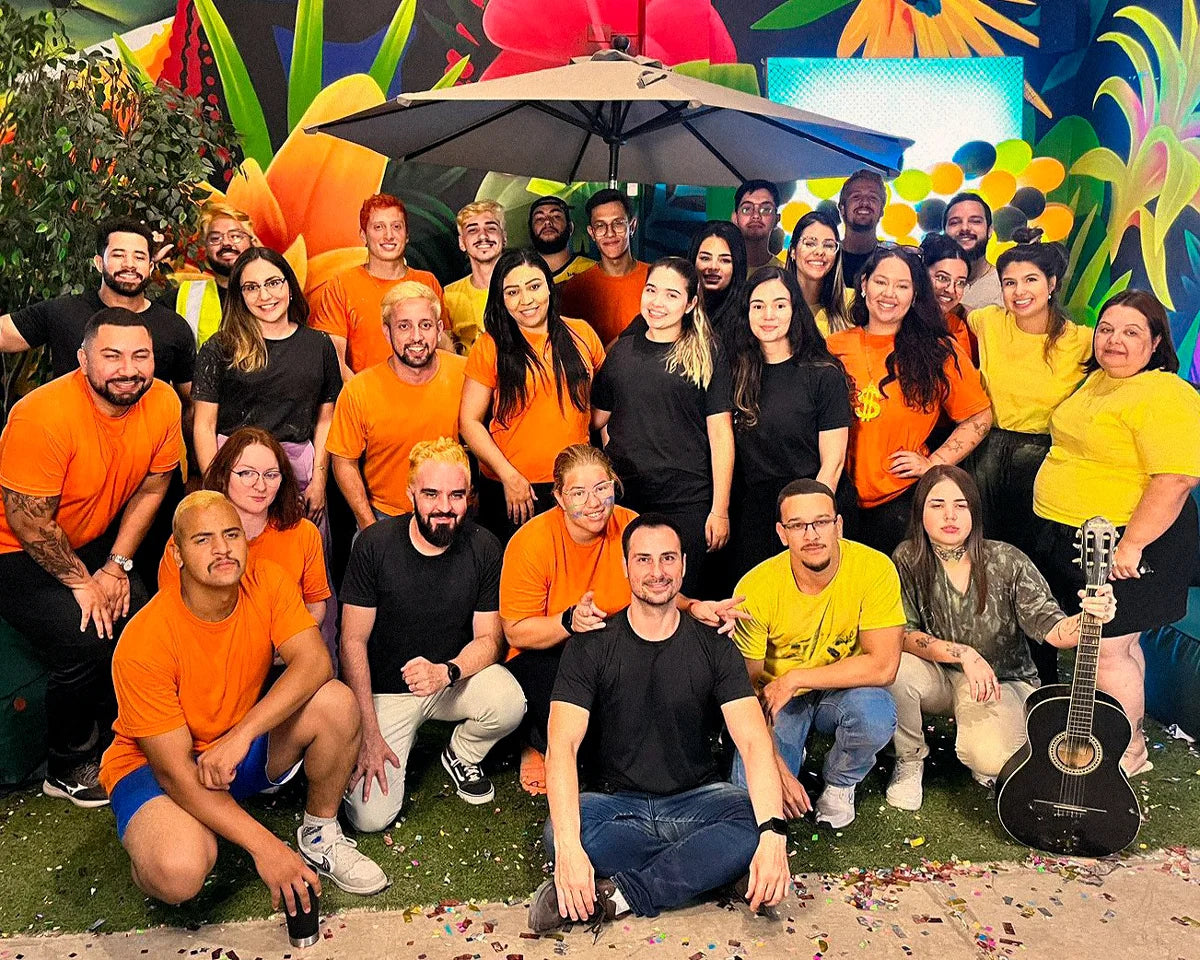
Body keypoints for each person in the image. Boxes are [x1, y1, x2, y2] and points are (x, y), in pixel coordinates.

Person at [99, 491, 388, 907]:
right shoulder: (144, 642)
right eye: (202, 539)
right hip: (154, 770)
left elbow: (315, 662)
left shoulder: (267, 581)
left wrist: (240, 736)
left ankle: (319, 832)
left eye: (231, 534)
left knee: (336, 702)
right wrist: (267, 848)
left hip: (232, 751)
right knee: (179, 873)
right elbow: (176, 774)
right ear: (176, 553)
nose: (222, 549)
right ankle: (167, 836)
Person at [529, 513, 790, 931]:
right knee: (558, 833)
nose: (657, 572)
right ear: (625, 568)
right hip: (616, 807)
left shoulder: (716, 646)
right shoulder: (591, 643)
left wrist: (773, 836)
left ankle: (618, 896)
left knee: (756, 820)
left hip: (698, 800)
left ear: (684, 565)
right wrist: (569, 848)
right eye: (644, 560)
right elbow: (562, 746)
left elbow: (754, 743)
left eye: (668, 559)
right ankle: (711, 870)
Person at [0, 308, 181, 806]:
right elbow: (28, 521)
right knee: (88, 636)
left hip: (92, 540)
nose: (128, 368)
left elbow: (155, 483)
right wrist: (85, 584)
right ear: (82, 360)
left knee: (143, 619)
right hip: (15, 550)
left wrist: (117, 566)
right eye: (112, 355)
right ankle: (65, 763)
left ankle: (133, 733)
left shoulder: (162, 400)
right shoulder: (43, 415)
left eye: (140, 355)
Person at [501, 444, 745, 795]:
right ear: (558, 496)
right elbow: (515, 631)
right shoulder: (531, 542)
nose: (594, 502)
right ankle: (536, 742)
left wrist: (693, 607)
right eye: (579, 493)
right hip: (548, 652)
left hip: (614, 645)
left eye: (602, 488)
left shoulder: (630, 524)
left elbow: (656, 587)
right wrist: (568, 622)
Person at [1032, 290, 1200, 776]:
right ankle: (1125, 736)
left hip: (1130, 542)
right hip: (1083, 538)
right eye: (1106, 329)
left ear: (1155, 344)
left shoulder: (1165, 393)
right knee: (1112, 645)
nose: (1114, 340)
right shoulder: (1099, 382)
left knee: (1108, 648)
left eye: (1131, 332)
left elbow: (1175, 479)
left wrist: (1132, 545)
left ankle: (1128, 751)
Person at [886, 466, 1118, 809]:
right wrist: (963, 653)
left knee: (991, 760)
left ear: (974, 513)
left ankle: (987, 740)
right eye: (937, 505)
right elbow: (903, 634)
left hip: (1002, 681)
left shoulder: (1007, 560)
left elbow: (1051, 627)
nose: (950, 515)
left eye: (961, 505)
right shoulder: (907, 558)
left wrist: (1088, 620)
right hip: (939, 675)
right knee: (895, 666)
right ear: (920, 512)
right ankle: (909, 760)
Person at [339, 439, 524, 830]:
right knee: (369, 817)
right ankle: (362, 747)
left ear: (469, 497)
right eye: (431, 493)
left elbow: (489, 640)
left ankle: (461, 753)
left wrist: (447, 672)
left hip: (448, 681)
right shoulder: (374, 545)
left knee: (509, 701)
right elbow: (351, 642)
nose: (444, 506)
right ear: (410, 494)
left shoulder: (485, 546)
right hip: (385, 692)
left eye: (456, 495)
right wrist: (368, 733)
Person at [731, 479, 904, 829]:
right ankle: (792, 750)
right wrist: (776, 768)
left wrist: (796, 679)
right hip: (776, 700)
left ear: (838, 525)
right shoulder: (756, 587)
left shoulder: (875, 568)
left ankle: (841, 782)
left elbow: (884, 666)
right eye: (798, 525)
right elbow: (743, 691)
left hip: (839, 689)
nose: (811, 534)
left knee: (876, 712)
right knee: (751, 798)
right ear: (783, 534)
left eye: (821, 522)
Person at [968, 228, 1092, 648]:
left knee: (1035, 561)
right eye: (1009, 282)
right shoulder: (987, 322)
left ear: (1052, 283)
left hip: (1042, 458)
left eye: (1030, 280)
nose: (1019, 292)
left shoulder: (1082, 340)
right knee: (982, 551)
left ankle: (1040, 654)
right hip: (987, 451)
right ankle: (986, 646)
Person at [826, 247, 993, 555]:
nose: (889, 294)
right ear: (863, 285)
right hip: (838, 499)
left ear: (915, 294)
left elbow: (979, 417)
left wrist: (934, 463)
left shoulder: (939, 351)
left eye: (902, 286)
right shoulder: (833, 347)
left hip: (902, 500)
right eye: (880, 282)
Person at [591, 257, 733, 594]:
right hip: (626, 496)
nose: (657, 302)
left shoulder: (707, 352)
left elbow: (721, 434)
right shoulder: (623, 351)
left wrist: (720, 509)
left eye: (671, 295)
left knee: (681, 596)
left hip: (687, 498)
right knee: (629, 595)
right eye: (651, 290)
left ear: (691, 303)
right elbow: (598, 418)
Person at [192, 248, 341, 533]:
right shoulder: (220, 347)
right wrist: (217, 487)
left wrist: (319, 481)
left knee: (301, 564)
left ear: (289, 285)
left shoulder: (319, 345)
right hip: (236, 475)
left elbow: (325, 420)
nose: (264, 296)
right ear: (240, 296)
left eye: (273, 282)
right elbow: (204, 424)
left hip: (299, 476)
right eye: (251, 287)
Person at [460, 249, 605, 542]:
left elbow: (603, 410)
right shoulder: (490, 346)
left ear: (550, 287)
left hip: (575, 483)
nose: (526, 300)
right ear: (501, 298)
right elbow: (469, 421)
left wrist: (601, 473)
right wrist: (509, 477)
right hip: (515, 487)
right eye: (512, 292)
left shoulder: (583, 334)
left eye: (534, 286)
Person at [728, 266, 853, 580]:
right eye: (758, 306)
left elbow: (834, 462)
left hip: (813, 501)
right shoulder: (734, 371)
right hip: (758, 509)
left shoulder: (823, 373)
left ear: (795, 310)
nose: (768, 314)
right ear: (746, 313)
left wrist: (811, 523)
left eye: (780, 305)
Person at [0, 217, 195, 402]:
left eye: (139, 257)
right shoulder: (63, 311)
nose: (129, 264)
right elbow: (3, 333)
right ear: (99, 263)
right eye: (118, 255)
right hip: (70, 432)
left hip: (145, 435)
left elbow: (190, 404)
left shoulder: (174, 327)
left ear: (150, 267)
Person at [157, 427, 330, 631]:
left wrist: (288, 646)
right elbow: (172, 616)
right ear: (223, 475)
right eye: (247, 473)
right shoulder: (188, 540)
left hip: (283, 650)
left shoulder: (305, 533)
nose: (260, 486)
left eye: (271, 475)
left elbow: (315, 606)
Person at [328, 282, 466, 529]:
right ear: (386, 331)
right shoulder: (359, 390)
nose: (416, 337)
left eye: (425, 325)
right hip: (385, 516)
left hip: (453, 514)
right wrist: (369, 525)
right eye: (404, 326)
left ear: (439, 328)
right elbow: (343, 462)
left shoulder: (465, 375)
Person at [311, 193, 449, 380]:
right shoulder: (342, 285)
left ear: (407, 235)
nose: (389, 235)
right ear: (363, 235)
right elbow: (334, 358)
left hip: (424, 396)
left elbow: (445, 350)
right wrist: (364, 398)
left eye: (396, 227)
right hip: (365, 399)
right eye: (378, 227)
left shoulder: (427, 282)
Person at [560, 190, 649, 343]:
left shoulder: (655, 278)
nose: (610, 233)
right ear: (592, 233)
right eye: (600, 226)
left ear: (632, 226)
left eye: (618, 223)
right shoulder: (577, 287)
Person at [171, 202, 257, 347]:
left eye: (235, 236)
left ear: (253, 243)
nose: (226, 243)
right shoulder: (186, 294)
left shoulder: (272, 292)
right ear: (205, 249)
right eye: (215, 238)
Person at [444, 200, 506, 351]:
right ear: (462, 242)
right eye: (472, 230)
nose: (483, 236)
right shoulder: (448, 296)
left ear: (504, 237)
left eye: (491, 228)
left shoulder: (525, 288)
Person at [786, 210, 853, 336]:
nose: (819, 252)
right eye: (810, 243)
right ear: (793, 251)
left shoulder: (850, 302)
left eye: (828, 245)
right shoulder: (773, 303)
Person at [918, 232, 974, 360]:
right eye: (942, 278)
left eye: (960, 283)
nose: (951, 290)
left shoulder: (958, 327)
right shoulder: (893, 320)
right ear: (920, 273)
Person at [944, 193, 1004, 312]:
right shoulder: (930, 286)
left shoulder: (1007, 284)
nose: (965, 228)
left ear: (990, 231)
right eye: (955, 222)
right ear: (944, 233)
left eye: (975, 221)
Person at [689, 220, 748, 338]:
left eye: (725, 260)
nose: (713, 267)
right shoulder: (678, 308)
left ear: (737, 266)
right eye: (705, 258)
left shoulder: (747, 315)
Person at [528, 196, 595, 284]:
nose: (547, 222)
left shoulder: (592, 271)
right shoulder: (518, 275)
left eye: (556, 216)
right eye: (539, 218)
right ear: (530, 230)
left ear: (570, 228)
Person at [836, 170, 886, 286]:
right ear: (842, 208)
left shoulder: (891, 260)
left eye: (873, 197)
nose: (864, 202)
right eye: (856, 196)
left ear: (882, 210)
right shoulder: (827, 258)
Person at [732, 180, 782, 274]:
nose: (756, 215)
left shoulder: (784, 274)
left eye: (766, 209)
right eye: (747, 209)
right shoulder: (722, 270)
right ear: (735, 218)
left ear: (777, 219)